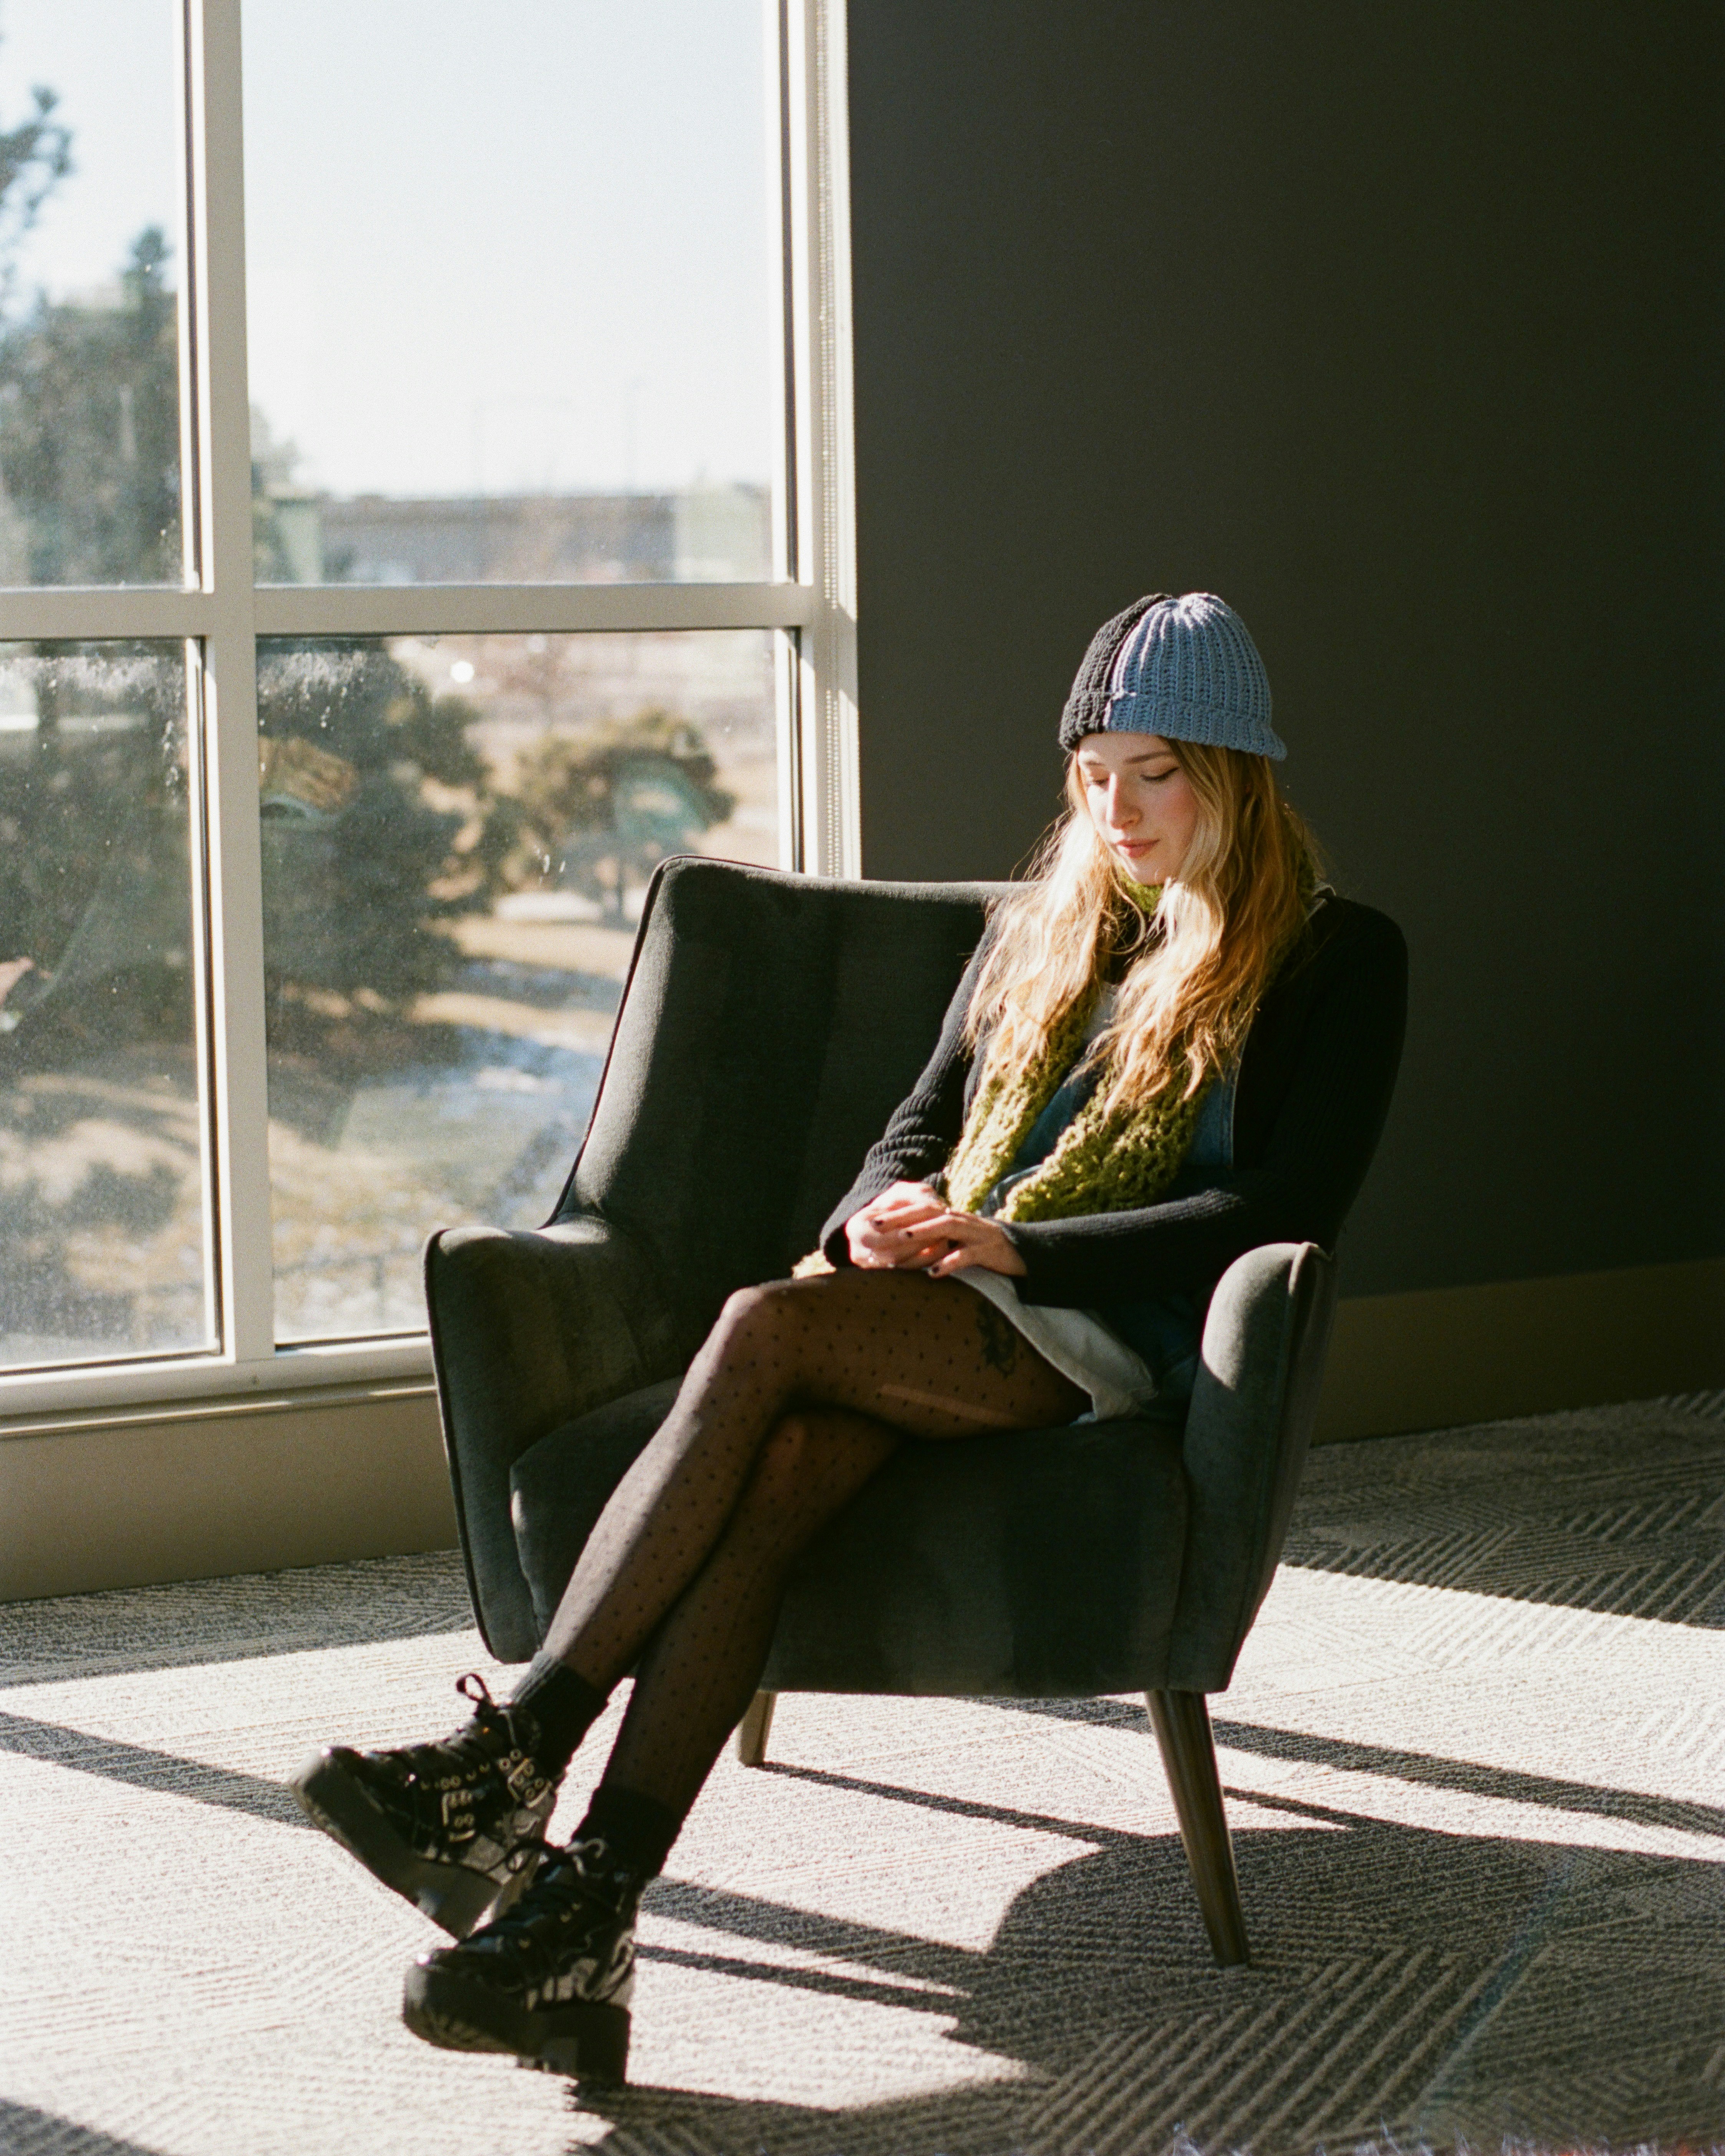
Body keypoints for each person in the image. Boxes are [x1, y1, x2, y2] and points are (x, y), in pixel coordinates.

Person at [290, 591, 1407, 2083]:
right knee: (786, 1459)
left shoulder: (1332, 955)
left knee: (766, 1325)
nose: (1118, 810)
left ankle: (517, 1754)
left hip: (1101, 1325)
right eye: (1093, 774)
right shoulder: (1039, 932)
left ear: (1235, 773)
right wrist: (873, 1221)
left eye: (1157, 773)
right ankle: (586, 1916)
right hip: (951, 1292)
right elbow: (914, 1130)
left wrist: (1022, 1247)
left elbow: (1280, 1206)